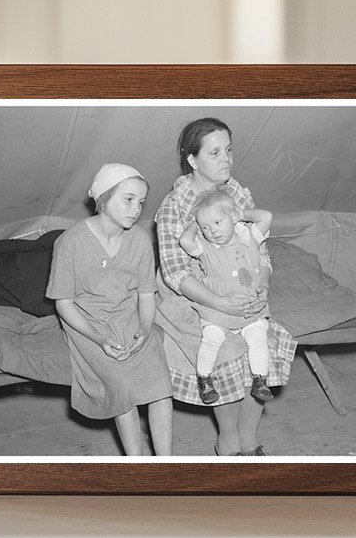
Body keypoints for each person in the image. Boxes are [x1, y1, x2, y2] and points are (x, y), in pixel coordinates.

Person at [155, 118, 295, 457]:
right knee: (225, 352)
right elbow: (176, 273)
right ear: (192, 160)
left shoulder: (237, 192)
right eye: (215, 152)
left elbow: (259, 248)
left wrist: (261, 283)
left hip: (241, 288)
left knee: (264, 343)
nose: (227, 159)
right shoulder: (175, 205)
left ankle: (249, 440)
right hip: (192, 297)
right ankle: (228, 441)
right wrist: (220, 303)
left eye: (229, 150)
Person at [46, 163, 173, 456]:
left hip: (129, 318)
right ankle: (137, 465)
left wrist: (144, 328)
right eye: (128, 199)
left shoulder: (140, 240)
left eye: (141, 202)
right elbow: (63, 304)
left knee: (160, 386)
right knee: (122, 387)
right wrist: (99, 340)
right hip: (88, 324)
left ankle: (167, 465)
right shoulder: (70, 243)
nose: (136, 209)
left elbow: (146, 296)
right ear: (103, 198)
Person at [178, 187, 274, 406]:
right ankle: (205, 379)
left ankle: (260, 380)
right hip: (217, 310)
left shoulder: (250, 238)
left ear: (232, 218)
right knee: (212, 338)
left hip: (250, 306)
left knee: (258, 336)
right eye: (206, 227)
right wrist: (197, 222)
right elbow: (185, 241)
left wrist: (242, 214)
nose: (212, 231)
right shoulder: (205, 247)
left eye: (217, 222)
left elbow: (266, 216)